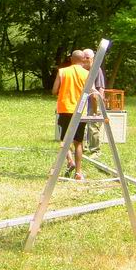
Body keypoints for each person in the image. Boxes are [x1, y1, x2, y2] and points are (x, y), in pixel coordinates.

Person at [52, 49, 89, 181]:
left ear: (71, 59)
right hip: (80, 111)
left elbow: (54, 90)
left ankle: (70, 161)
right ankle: (78, 173)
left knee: (65, 140)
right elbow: (91, 92)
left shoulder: (62, 71)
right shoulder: (87, 74)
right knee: (78, 143)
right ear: (83, 60)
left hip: (65, 109)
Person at [82, 48, 105, 155]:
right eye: (84, 57)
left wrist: (97, 106)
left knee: (93, 126)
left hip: (94, 101)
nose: (85, 60)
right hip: (83, 102)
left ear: (92, 58)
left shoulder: (96, 70)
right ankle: (82, 148)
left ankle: (95, 151)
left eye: (88, 58)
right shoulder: (81, 69)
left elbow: (100, 89)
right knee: (81, 125)